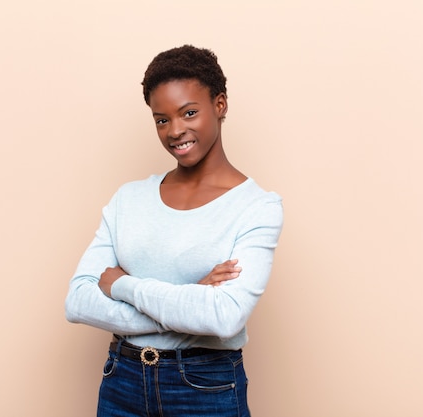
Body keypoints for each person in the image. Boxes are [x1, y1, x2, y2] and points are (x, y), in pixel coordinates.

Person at [65, 44, 283, 417]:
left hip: (204, 386)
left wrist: (122, 286)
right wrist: (191, 297)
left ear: (220, 104)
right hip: (122, 379)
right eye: (161, 119)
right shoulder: (128, 199)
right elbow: (79, 300)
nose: (175, 130)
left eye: (189, 112)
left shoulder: (256, 207)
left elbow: (223, 317)